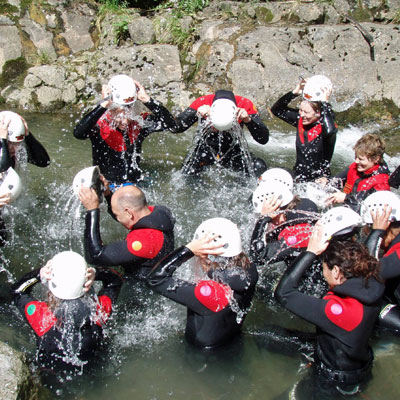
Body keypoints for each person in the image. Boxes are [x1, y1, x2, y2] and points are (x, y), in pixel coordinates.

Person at [274, 223, 383, 398]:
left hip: (333, 381)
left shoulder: (339, 311)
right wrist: (377, 230)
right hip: (358, 366)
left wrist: (310, 252)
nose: (322, 273)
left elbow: (283, 293)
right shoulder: (373, 283)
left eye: (324, 268)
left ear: (336, 271)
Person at [146, 218, 258, 348]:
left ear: (206, 257)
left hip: (203, 357)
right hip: (230, 343)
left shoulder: (211, 295)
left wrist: (187, 250)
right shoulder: (249, 270)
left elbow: (154, 279)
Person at [10, 251, 122, 380]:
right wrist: (96, 273)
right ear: (86, 282)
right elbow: (116, 280)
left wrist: (38, 275)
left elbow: (17, 291)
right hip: (92, 372)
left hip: (51, 374)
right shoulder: (99, 312)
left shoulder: (42, 318)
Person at [73, 75, 178, 189]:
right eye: (117, 112)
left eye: (128, 112)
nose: (124, 120)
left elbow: (172, 126)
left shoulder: (139, 122)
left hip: (134, 185)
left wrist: (147, 100)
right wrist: (103, 104)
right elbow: (79, 133)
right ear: (110, 108)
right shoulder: (100, 124)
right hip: (108, 186)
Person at [78, 183, 175, 280]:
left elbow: (95, 256)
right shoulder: (161, 212)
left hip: (141, 286)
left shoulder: (144, 242)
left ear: (129, 213)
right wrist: (108, 194)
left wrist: (92, 210)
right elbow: (127, 215)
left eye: (116, 215)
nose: (117, 218)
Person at [170, 89, 269, 177]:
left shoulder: (244, 105)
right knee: (188, 169)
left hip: (233, 149)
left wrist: (248, 120)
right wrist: (196, 114)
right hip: (206, 148)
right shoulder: (202, 103)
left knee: (258, 166)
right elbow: (177, 127)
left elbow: (263, 139)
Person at [270, 77, 337, 182]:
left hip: (320, 180)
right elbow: (276, 110)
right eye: (300, 110)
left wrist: (324, 103)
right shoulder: (300, 120)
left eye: (306, 112)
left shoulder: (325, 125)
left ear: (318, 112)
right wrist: (294, 93)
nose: (302, 115)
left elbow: (330, 131)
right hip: (299, 175)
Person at [324, 133, 390, 211]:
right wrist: (327, 181)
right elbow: (336, 181)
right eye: (356, 157)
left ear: (376, 159)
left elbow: (367, 207)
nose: (356, 161)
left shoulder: (381, 183)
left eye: (361, 159)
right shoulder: (357, 166)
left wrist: (345, 198)